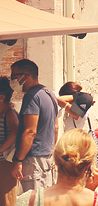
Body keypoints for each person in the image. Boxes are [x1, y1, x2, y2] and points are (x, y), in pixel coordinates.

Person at [10, 59, 59, 192]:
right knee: (44, 202)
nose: (12, 81)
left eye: (14, 77)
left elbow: (30, 131)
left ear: (25, 76)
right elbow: (55, 127)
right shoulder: (49, 93)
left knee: (33, 203)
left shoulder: (32, 96)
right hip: (46, 157)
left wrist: (18, 160)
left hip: (33, 160)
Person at [0, 80, 20, 206]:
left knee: (8, 200)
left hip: (6, 162)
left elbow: (15, 133)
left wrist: (1, 149)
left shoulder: (9, 113)